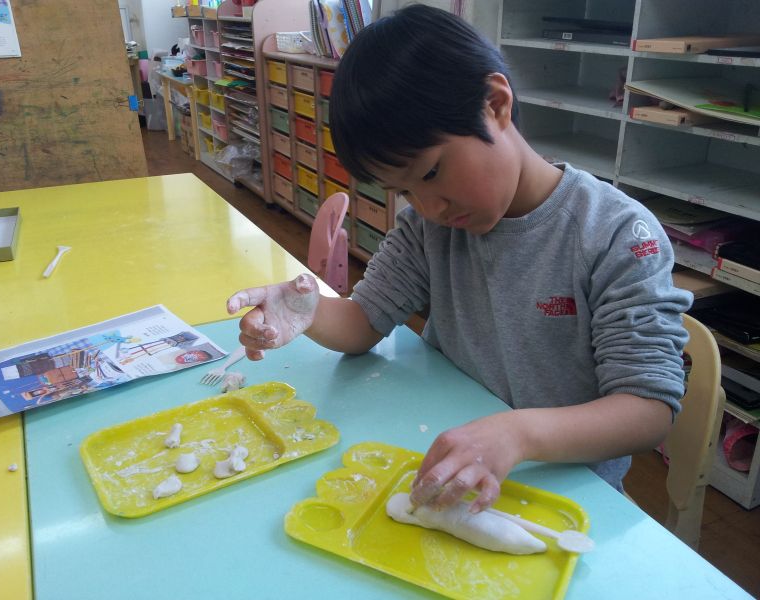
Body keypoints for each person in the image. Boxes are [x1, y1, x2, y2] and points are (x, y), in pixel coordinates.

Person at [227, 5, 692, 514]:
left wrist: (517, 434)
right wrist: (309, 310)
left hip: (564, 495)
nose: (430, 207)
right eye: (405, 191)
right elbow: (363, 322)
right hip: (451, 467)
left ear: (495, 104)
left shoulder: (615, 233)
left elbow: (648, 410)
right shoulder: (430, 227)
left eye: (431, 173)